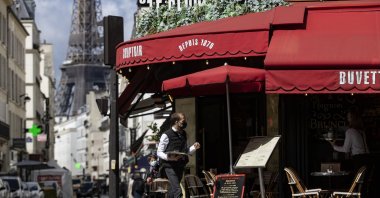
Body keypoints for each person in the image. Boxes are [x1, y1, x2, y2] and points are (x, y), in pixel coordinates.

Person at [157, 112, 201, 198]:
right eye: (182, 121)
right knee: (177, 190)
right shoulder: (166, 135)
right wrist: (169, 158)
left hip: (180, 165)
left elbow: (186, 151)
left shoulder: (184, 134)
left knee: (172, 191)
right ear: (176, 122)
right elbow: (159, 152)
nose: (184, 123)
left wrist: (194, 147)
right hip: (169, 166)